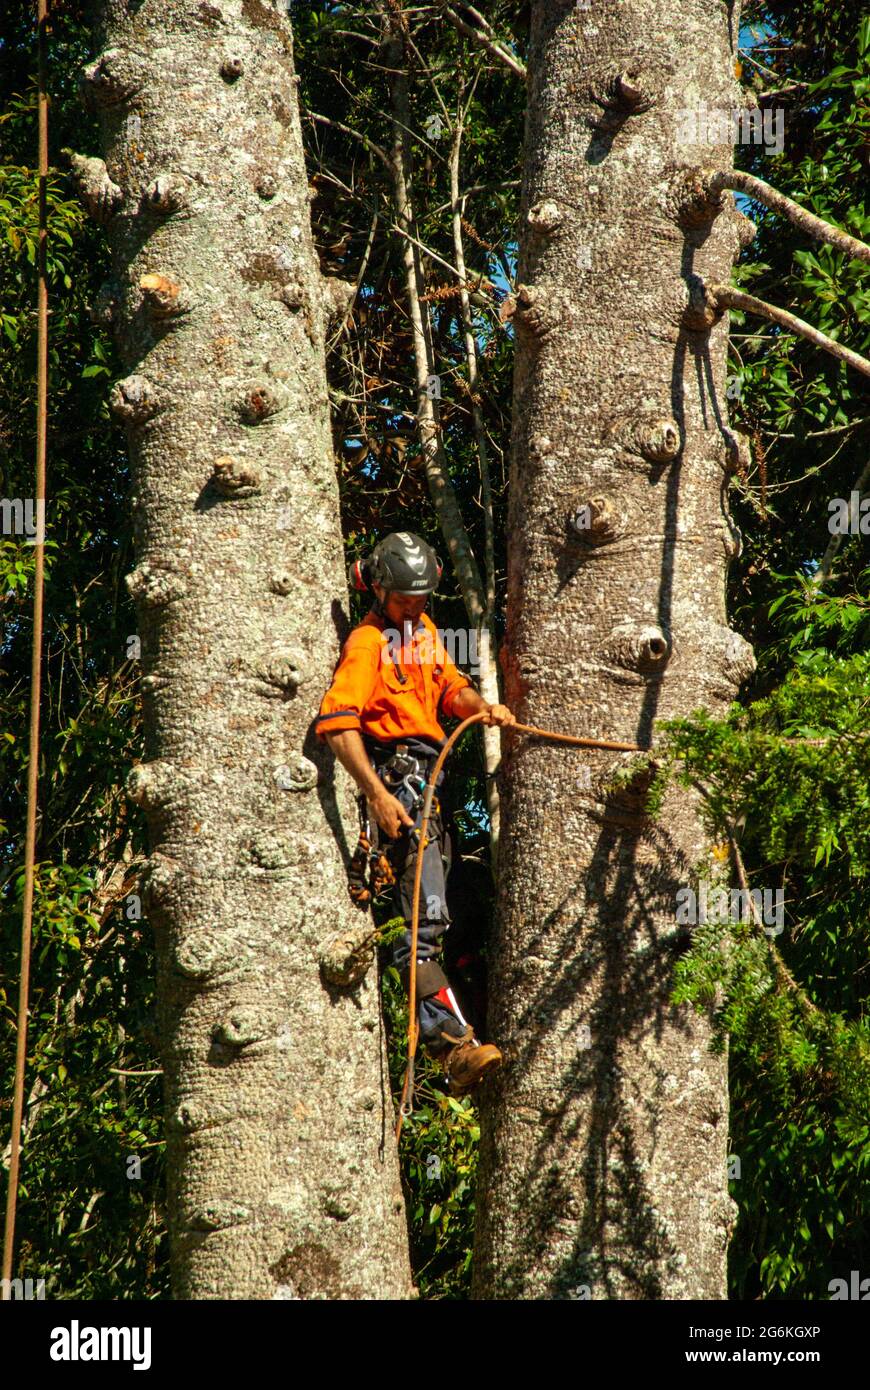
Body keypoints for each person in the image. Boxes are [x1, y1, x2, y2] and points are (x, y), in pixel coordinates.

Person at [316, 531, 516, 1096]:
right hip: (401, 787)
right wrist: (376, 794)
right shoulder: (367, 643)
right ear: (377, 589)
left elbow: (448, 688)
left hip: (432, 784)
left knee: (443, 917)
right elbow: (337, 723)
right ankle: (451, 1048)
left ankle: (457, 1035)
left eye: (424, 597)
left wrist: (480, 707)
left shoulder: (423, 632)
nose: (417, 607)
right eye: (407, 598)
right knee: (419, 928)